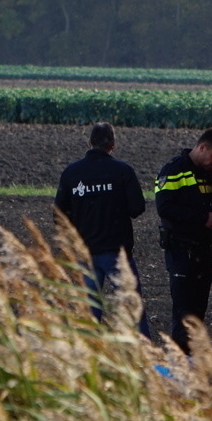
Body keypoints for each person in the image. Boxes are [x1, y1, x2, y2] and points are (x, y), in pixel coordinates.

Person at [55, 122, 151, 336]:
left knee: (88, 314)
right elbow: (137, 208)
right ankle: (146, 357)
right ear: (112, 145)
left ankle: (87, 359)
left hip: (85, 253)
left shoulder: (72, 173)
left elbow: (59, 215)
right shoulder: (123, 171)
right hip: (118, 253)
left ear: (89, 143)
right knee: (131, 307)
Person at [155, 128, 212, 353]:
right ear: (202, 147)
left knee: (199, 312)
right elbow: (164, 208)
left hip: (203, 251)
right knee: (183, 312)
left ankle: (193, 361)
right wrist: (203, 218)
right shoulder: (173, 170)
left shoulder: (210, 174)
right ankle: (178, 363)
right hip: (181, 251)